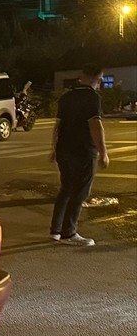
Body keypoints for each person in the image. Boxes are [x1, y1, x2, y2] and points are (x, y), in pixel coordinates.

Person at [49, 64, 110, 246]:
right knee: (80, 191)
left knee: (66, 188)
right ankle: (69, 232)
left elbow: (57, 126)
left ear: (81, 77)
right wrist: (103, 153)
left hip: (63, 150)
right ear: (98, 80)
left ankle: (56, 230)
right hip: (83, 151)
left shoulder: (66, 97)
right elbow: (95, 126)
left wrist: (53, 149)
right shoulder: (92, 98)